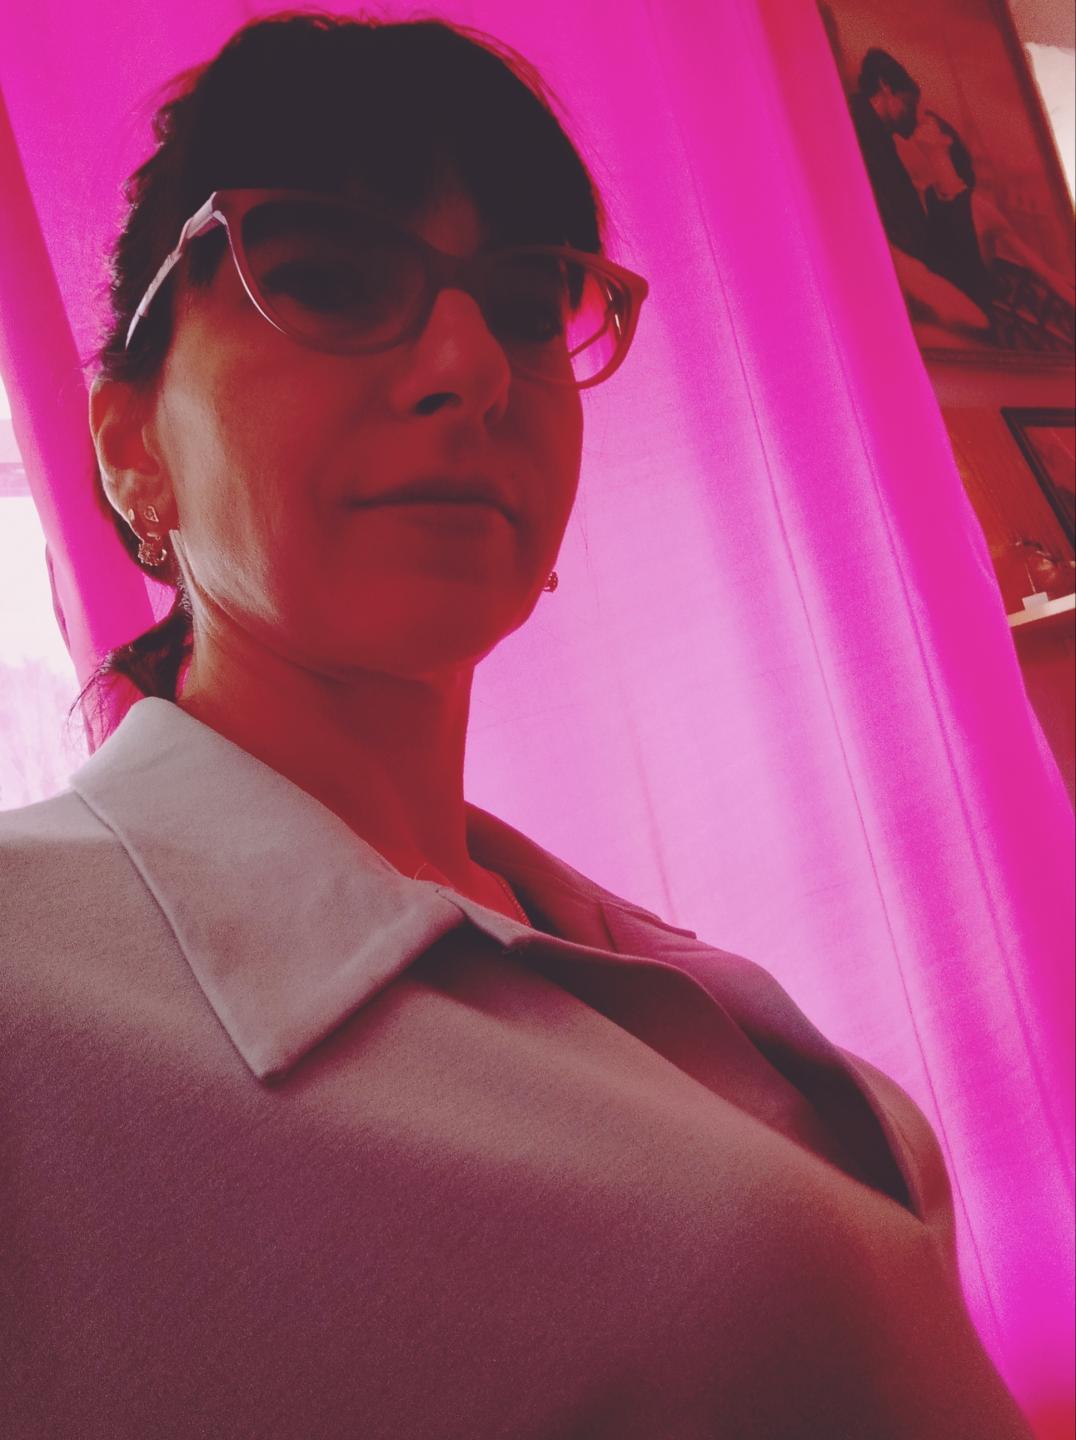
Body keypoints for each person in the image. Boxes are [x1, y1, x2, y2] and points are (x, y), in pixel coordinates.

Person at [0, 13, 1036, 1439]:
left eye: (525, 301)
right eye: (327, 277)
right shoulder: (31, 988)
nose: (472, 366)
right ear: (129, 447)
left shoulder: (604, 947)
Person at [849, 47, 994, 317]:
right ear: (885, 87)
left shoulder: (874, 134)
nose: (914, 115)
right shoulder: (861, 131)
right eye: (910, 103)